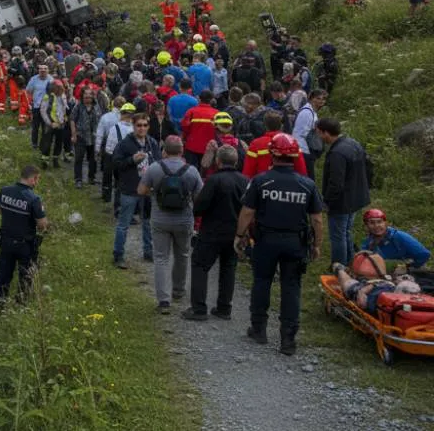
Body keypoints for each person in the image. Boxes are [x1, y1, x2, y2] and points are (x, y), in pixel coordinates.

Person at [235, 133, 325, 355]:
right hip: (295, 241)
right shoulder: (307, 184)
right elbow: (317, 219)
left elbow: (248, 211)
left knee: (262, 281)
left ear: (272, 155)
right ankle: (288, 339)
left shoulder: (261, 181)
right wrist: (317, 245)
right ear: (295, 156)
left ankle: (259, 329)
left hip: (266, 239)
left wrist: (240, 235)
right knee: (291, 287)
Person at [139, 136, 204, 313]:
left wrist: (154, 193)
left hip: (160, 219)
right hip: (184, 220)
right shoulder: (191, 171)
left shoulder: (154, 168)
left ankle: (163, 300)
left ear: (164, 151)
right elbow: (200, 197)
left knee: (161, 258)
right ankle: (178, 290)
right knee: (182, 255)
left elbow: (141, 190)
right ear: (182, 151)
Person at [183, 144, 247, 321]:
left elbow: (200, 206)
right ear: (236, 161)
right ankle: (224, 307)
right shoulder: (245, 181)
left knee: (200, 265)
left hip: (212, 231)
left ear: (218, 161)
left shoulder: (214, 180)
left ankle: (199, 308)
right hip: (235, 232)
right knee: (228, 268)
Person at [318, 118, 370, 266]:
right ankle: (350, 261)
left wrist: (326, 202)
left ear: (326, 133)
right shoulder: (353, 143)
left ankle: (339, 266)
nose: (319, 137)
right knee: (346, 231)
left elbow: (335, 183)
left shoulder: (337, 153)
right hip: (355, 197)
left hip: (341, 201)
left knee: (338, 235)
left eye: (319, 134)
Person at [0, 165, 48, 307]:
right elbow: (42, 225)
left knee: (4, 276)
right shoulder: (34, 199)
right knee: (25, 277)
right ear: (33, 178)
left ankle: (0, 306)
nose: (36, 183)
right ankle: (20, 305)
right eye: (37, 180)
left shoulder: (4, 191)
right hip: (25, 245)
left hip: (5, 242)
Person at [113, 113, 159, 269]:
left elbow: (158, 164)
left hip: (147, 190)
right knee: (123, 224)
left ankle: (148, 252)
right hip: (130, 189)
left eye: (145, 125)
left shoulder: (152, 143)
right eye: (139, 125)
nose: (142, 128)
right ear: (133, 126)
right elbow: (116, 164)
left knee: (147, 223)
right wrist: (132, 160)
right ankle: (118, 255)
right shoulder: (124, 144)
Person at [330, 253, 421, 313]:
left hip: (379, 284)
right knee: (350, 285)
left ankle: (349, 274)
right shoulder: (386, 293)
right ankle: (339, 269)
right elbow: (368, 289)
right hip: (369, 287)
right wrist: (361, 294)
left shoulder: (409, 300)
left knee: (358, 283)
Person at [359, 209, 430, 268]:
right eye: (372, 223)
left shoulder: (399, 236)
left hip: (409, 272)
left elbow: (424, 254)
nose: (376, 226)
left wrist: (408, 267)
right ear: (366, 226)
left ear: (385, 223)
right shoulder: (368, 242)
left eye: (379, 222)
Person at [97, 103, 135, 204]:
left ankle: (106, 196)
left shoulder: (115, 128)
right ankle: (119, 203)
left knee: (108, 177)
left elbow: (109, 146)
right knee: (120, 182)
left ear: (122, 114)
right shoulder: (134, 130)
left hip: (112, 156)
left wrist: (103, 152)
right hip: (126, 158)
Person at [291, 89, 327, 179]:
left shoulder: (312, 111)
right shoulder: (306, 113)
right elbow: (301, 133)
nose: (321, 101)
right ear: (311, 99)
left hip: (305, 150)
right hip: (303, 150)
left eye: (323, 99)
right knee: (308, 178)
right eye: (318, 98)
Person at [71, 86, 101, 189]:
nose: (88, 97)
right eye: (86, 95)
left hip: (93, 137)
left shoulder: (97, 106)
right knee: (79, 158)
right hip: (80, 136)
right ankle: (78, 180)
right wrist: (74, 134)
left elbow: (100, 120)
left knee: (93, 159)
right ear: (82, 96)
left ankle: (91, 178)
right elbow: (72, 120)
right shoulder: (78, 106)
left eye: (90, 95)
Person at [180, 89, 218, 169]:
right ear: (211, 100)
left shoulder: (191, 111)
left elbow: (184, 127)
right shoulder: (217, 113)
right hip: (209, 149)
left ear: (199, 99)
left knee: (191, 171)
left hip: (192, 147)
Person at [40, 81, 68, 168]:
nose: (61, 89)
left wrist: (64, 118)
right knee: (47, 143)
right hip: (50, 124)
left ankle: (55, 160)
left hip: (60, 124)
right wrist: (50, 123)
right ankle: (45, 161)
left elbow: (64, 108)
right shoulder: (47, 97)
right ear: (54, 88)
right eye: (59, 87)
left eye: (61, 87)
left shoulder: (63, 96)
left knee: (59, 143)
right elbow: (43, 111)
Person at [25, 64, 52, 148]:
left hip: (47, 108)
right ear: (38, 70)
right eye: (41, 69)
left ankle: (43, 144)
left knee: (45, 127)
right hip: (36, 106)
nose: (43, 70)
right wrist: (33, 99)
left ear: (48, 70)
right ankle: (34, 143)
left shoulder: (51, 79)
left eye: (45, 69)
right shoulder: (34, 79)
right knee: (35, 126)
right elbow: (28, 91)